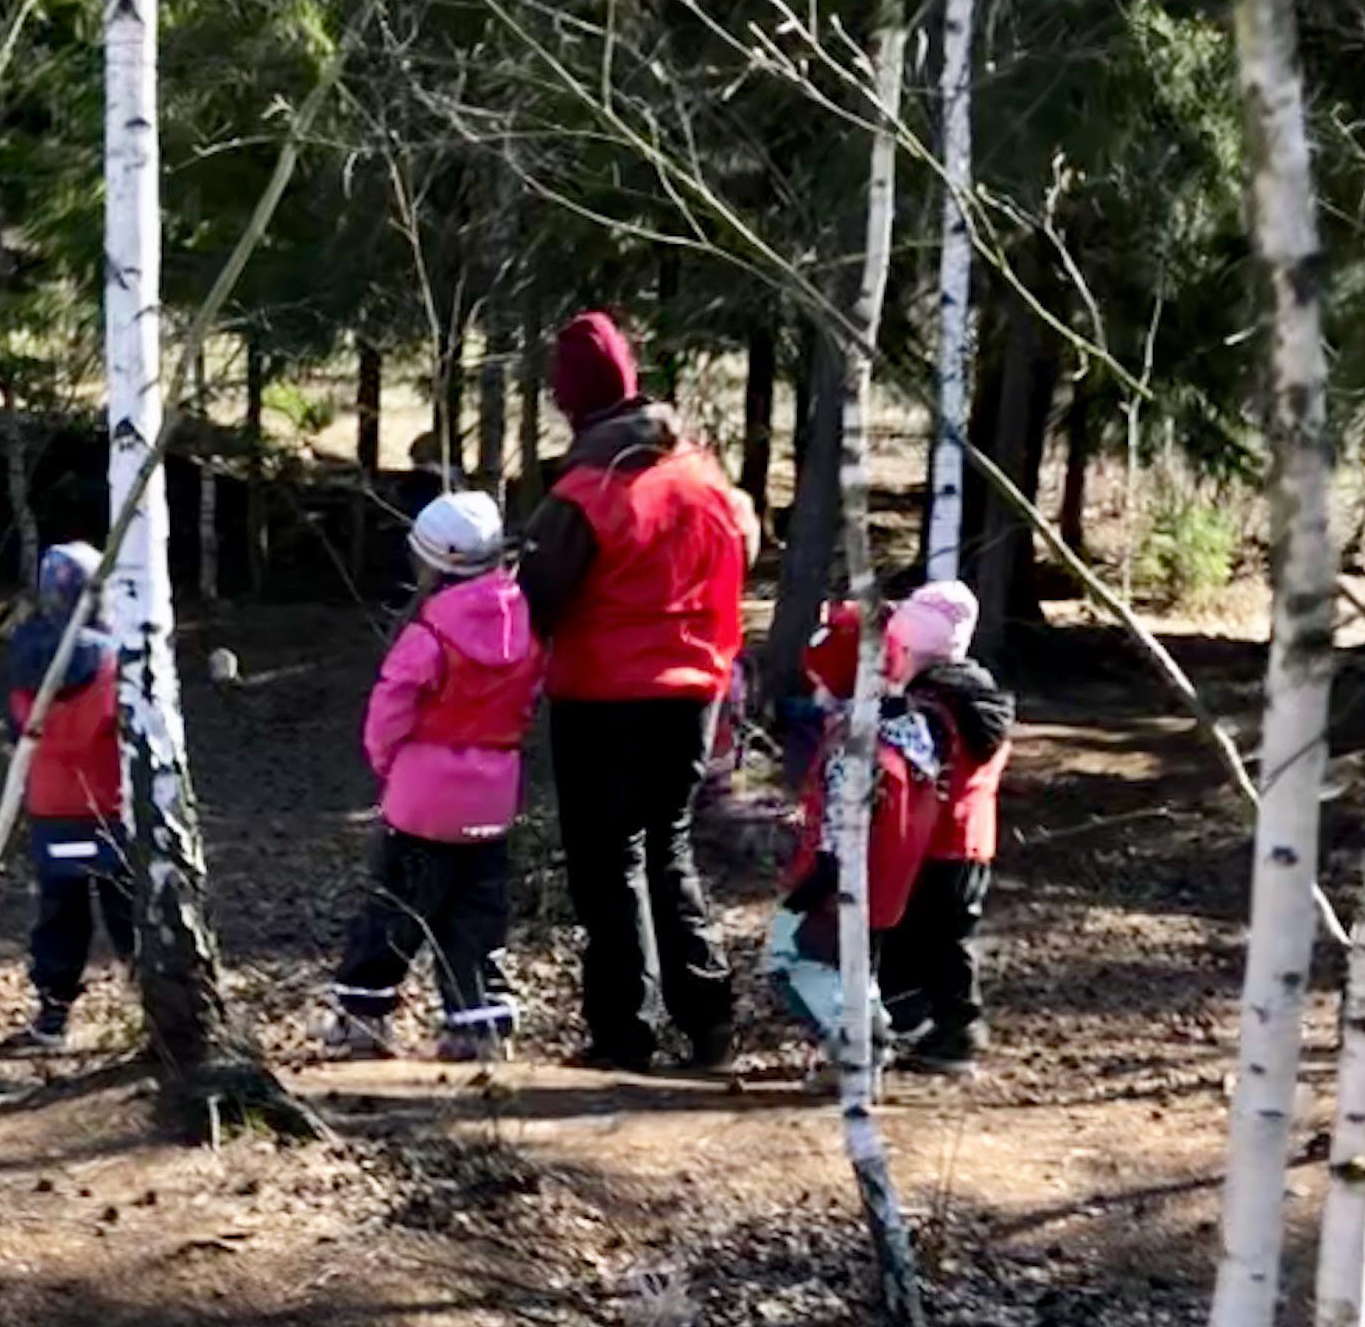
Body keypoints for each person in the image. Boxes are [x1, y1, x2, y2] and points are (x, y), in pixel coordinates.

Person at [517, 312, 759, 1072]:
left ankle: (624, 1032)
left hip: (603, 696)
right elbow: (746, 550)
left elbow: (539, 597)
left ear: (572, 400)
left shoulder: (585, 493)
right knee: (670, 846)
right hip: (695, 693)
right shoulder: (707, 478)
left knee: (610, 861)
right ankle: (711, 1022)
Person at [327, 490, 544, 1063]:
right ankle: (480, 1022)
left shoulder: (428, 632)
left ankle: (363, 1014)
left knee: (395, 905)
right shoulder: (526, 619)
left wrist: (387, 763)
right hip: (494, 792)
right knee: (476, 910)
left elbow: (390, 708)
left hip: (422, 794)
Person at [762, 598, 942, 1067]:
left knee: (789, 960)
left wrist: (811, 887)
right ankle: (866, 1034)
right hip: (884, 888)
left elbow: (844, 832)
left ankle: (859, 1043)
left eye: (821, 681)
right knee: (852, 968)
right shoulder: (910, 733)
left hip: (839, 887)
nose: (816, 692)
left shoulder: (855, 749)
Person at [879, 580, 1015, 1069]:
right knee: (938, 935)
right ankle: (921, 1019)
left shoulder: (934, 708)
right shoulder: (980, 701)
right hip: (972, 842)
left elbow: (915, 764)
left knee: (934, 938)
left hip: (936, 842)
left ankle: (957, 1029)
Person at [7, 542, 132, 1049]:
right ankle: (155, 998)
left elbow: (17, 732)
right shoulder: (115, 659)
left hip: (50, 806)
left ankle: (53, 1013)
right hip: (108, 803)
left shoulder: (23, 657)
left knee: (60, 910)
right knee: (127, 907)